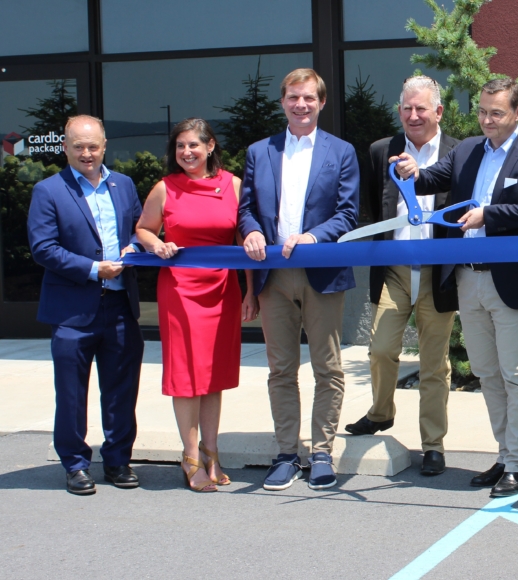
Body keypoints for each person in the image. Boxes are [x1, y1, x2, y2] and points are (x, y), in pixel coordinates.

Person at [392, 78, 518, 497]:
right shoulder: (466, 149)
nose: (487, 120)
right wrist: (412, 171)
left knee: (516, 375)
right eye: (483, 112)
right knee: (487, 372)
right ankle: (505, 456)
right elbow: (431, 180)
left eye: (496, 113)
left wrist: (490, 215)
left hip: (512, 280)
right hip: (468, 277)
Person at [237, 68, 360, 492]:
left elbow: (347, 213)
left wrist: (312, 236)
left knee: (328, 367)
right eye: (293, 98)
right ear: (283, 101)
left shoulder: (341, 151)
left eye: (309, 98)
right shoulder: (260, 151)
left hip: (321, 270)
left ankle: (322, 451)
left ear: (321, 102)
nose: (301, 105)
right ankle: (287, 452)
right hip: (274, 275)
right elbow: (247, 207)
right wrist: (252, 230)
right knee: (280, 369)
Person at [344, 76, 460, 476]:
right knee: (380, 349)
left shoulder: (458, 153)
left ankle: (433, 444)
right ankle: (381, 413)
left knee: (434, 363)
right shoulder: (381, 151)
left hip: (436, 274)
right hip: (393, 270)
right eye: (406, 108)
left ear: (438, 112)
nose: (413, 115)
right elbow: (370, 211)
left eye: (421, 108)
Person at [135, 118, 259, 492]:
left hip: (222, 290)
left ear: (210, 147)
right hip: (180, 291)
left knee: (213, 377)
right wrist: (155, 244)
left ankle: (211, 450)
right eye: (180, 147)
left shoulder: (234, 186)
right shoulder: (164, 188)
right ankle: (190, 457)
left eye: (193, 145)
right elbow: (142, 229)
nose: (186, 152)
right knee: (187, 378)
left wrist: (251, 292)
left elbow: (246, 242)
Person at [27, 115, 144, 495]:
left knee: (122, 390)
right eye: (78, 146)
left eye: (93, 146)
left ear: (105, 145)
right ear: (65, 148)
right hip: (72, 311)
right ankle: (75, 464)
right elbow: (43, 248)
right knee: (72, 393)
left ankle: (117, 460)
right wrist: (94, 269)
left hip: (121, 306)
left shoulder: (123, 185)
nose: (87, 153)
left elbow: (142, 228)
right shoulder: (49, 190)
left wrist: (136, 247)